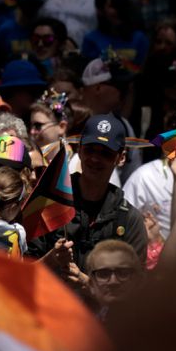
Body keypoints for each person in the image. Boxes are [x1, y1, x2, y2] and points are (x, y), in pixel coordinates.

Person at [30, 114, 146, 269]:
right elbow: (23, 269)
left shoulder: (129, 220)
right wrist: (49, 261)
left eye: (105, 153)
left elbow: (135, 285)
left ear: (121, 158)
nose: (95, 159)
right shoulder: (49, 202)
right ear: (79, 149)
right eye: (90, 150)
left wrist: (86, 284)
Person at [83, 239, 144, 322]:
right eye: (103, 274)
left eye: (123, 273)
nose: (113, 281)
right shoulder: (83, 329)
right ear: (91, 284)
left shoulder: (158, 327)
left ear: (138, 280)